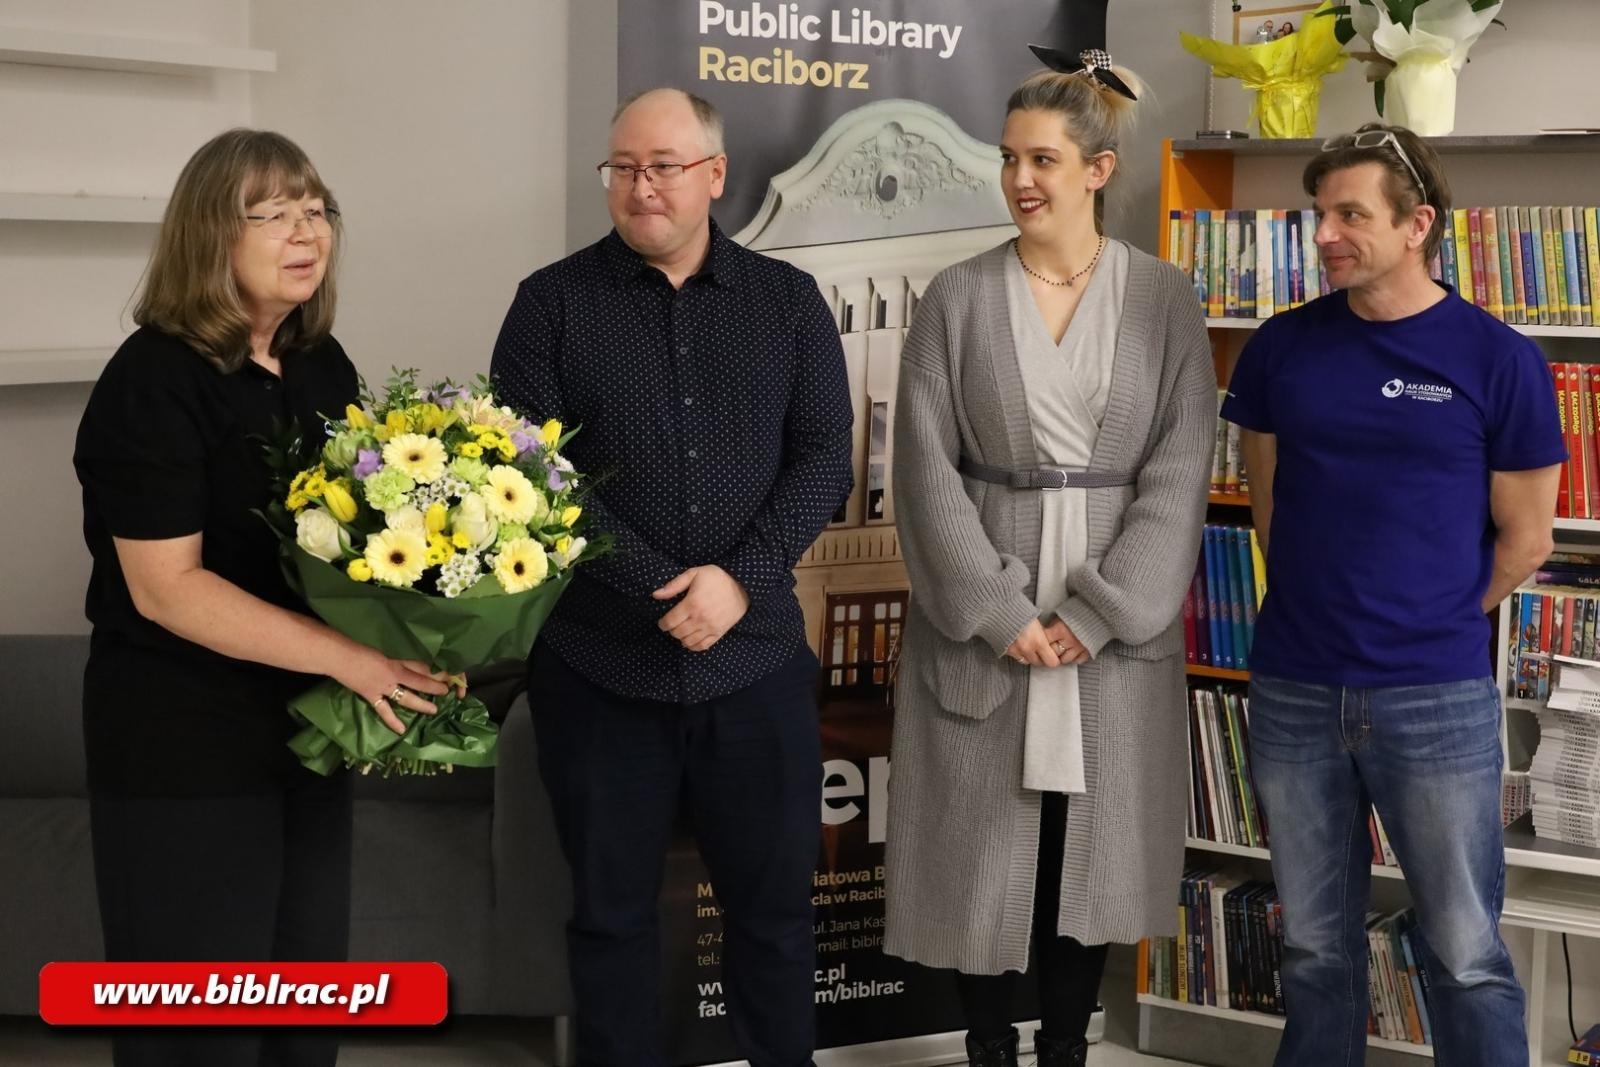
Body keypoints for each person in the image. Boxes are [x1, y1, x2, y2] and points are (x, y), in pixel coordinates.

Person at [489, 88, 853, 1066]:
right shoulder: (549, 304)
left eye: (662, 166)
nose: (639, 186)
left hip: (756, 670)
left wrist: (737, 583)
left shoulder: (786, 303)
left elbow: (823, 456)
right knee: (610, 923)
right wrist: (667, 588)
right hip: (601, 672)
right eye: (622, 168)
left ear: (714, 176)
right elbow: (531, 479)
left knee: (774, 923)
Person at [73, 128, 451, 1067]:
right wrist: (354, 660)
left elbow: (362, 543)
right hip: (181, 744)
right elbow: (169, 591)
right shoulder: (153, 379)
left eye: (315, 208)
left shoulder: (322, 364)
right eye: (271, 212)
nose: (304, 230)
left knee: (300, 1022)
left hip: (304, 732)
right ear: (211, 235)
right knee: (199, 1037)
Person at [883, 50, 1215, 1067]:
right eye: (1008, 159)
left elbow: (1179, 465)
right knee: (979, 842)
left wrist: (1101, 610)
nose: (1020, 179)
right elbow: (924, 466)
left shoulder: (1165, 300)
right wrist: (997, 610)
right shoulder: (956, 297)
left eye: (1042, 159)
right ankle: (987, 1042)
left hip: (1111, 625)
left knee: (1088, 839)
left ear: (1097, 171)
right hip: (989, 612)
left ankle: (1067, 1043)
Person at [1222, 123, 1563, 1067]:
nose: (1324, 233)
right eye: (1318, 212)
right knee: (1313, 946)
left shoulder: (1499, 359)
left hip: (1436, 696)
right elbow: (1268, 510)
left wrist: (1433, 617)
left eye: (1349, 214)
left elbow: (1527, 539)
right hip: (1293, 688)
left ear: (1418, 224)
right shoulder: (1280, 350)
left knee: (1465, 953)